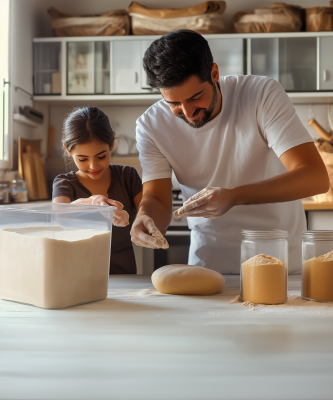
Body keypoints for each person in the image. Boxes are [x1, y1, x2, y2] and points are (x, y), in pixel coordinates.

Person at [131, 29, 329, 274]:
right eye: (174, 103)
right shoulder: (150, 126)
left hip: (281, 263)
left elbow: (315, 177)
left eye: (196, 97)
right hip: (209, 267)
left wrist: (234, 196)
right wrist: (145, 218)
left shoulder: (261, 95)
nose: (188, 111)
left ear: (214, 73)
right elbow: (158, 199)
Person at [53, 107, 142, 274]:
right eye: (82, 159)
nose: (93, 166)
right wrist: (92, 201)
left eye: (101, 156)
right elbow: (59, 216)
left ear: (112, 144)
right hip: (78, 272)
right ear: (68, 149)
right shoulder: (64, 183)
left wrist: (148, 223)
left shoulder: (127, 176)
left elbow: (147, 212)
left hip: (124, 272)